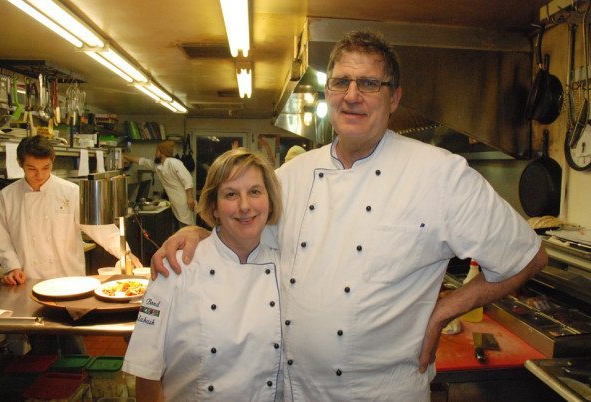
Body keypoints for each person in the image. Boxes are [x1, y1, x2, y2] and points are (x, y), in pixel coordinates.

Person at [152, 31, 547, 401]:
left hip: (383, 392)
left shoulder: (441, 174)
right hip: (294, 390)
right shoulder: (290, 177)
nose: (352, 95)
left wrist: (443, 311)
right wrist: (200, 234)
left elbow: (528, 256)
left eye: (370, 84)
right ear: (328, 93)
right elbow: (249, 240)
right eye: (341, 82)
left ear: (394, 99)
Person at [123, 148, 283, 401]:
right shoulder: (176, 268)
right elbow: (147, 374)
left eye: (255, 192)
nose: (245, 206)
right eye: (231, 194)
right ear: (214, 207)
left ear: (270, 200)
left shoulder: (284, 269)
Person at [0, 135, 140, 286]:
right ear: (20, 163)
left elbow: (102, 230)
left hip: (68, 280)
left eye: (46, 168)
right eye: (32, 169)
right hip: (27, 281)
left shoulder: (71, 192)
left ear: (52, 162)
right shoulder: (7, 197)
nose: (40, 175)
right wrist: (12, 268)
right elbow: (3, 242)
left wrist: (125, 253)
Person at [123, 140, 196, 227]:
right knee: (181, 231)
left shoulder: (173, 162)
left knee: (187, 229)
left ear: (162, 153)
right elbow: (142, 161)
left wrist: (190, 198)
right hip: (175, 203)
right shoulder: (158, 165)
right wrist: (125, 156)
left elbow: (187, 179)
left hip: (184, 202)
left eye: (157, 151)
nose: (155, 154)